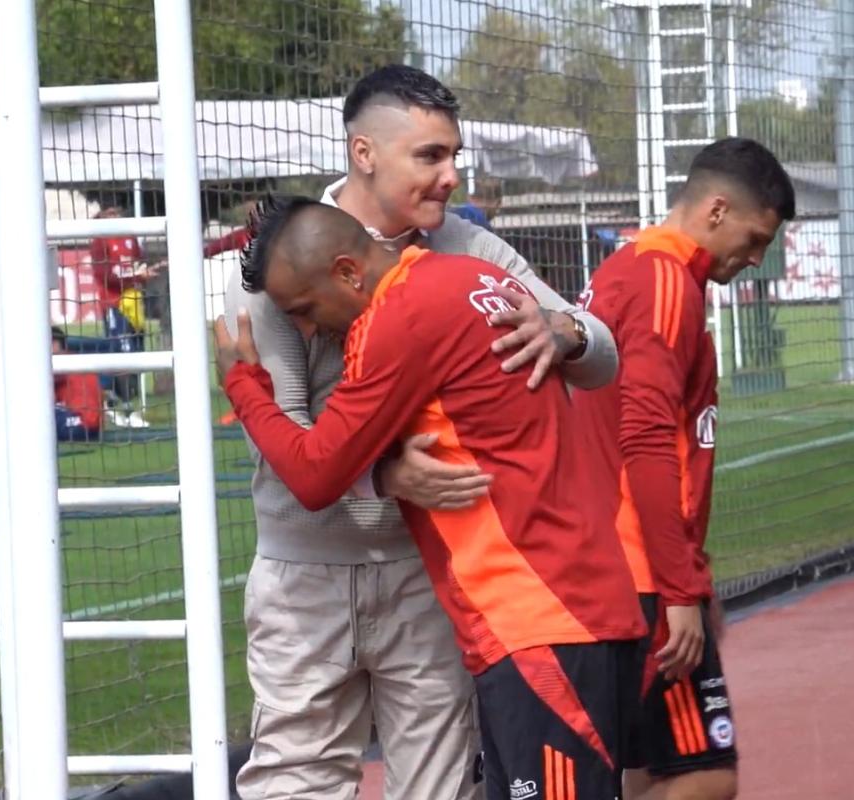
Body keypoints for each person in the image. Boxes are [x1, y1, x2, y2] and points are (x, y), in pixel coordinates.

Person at [220, 64, 620, 800]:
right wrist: (384, 475)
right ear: (364, 153)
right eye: (430, 156)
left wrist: (562, 330)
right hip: (308, 573)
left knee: (440, 788)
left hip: (434, 576)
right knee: (295, 785)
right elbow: (285, 445)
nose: (450, 176)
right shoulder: (284, 262)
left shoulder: (468, 251)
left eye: (453, 155)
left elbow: (601, 351)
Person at [574, 138, 795, 800]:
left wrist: (693, 576)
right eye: (755, 240)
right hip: (640, 574)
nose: (755, 259)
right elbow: (645, 440)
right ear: (717, 210)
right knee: (705, 775)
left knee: (644, 770)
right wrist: (677, 590)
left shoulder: (628, 267)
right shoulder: (666, 282)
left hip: (614, 563)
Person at [89, 204, 161, 429]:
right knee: (122, 353)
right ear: (101, 216)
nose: (115, 216)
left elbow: (139, 262)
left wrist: (143, 273)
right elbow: (105, 276)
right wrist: (136, 277)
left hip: (134, 302)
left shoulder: (130, 236)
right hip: (114, 304)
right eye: (110, 213)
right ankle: (125, 408)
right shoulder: (99, 240)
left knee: (137, 352)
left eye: (117, 212)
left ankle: (116, 403)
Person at [51, 327, 103, 441]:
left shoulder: (60, 362)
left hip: (80, 421)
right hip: (93, 425)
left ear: (54, 344)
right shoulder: (74, 359)